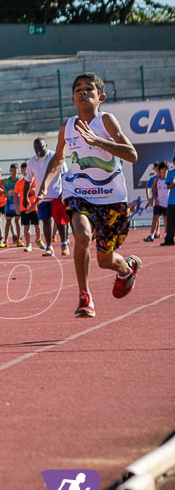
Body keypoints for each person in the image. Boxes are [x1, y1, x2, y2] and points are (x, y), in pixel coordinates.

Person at [36, 72, 141, 318]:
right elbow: (59, 158)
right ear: (73, 98)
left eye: (89, 89)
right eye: (78, 89)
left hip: (112, 199)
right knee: (81, 236)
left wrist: (99, 142)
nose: (83, 92)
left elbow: (132, 154)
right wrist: (44, 185)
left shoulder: (106, 121)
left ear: (100, 97)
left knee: (105, 260)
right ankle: (85, 296)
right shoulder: (67, 127)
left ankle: (126, 269)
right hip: (78, 193)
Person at [28, 136, 71, 257]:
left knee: (60, 222)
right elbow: (28, 179)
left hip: (57, 196)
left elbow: (65, 175)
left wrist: (65, 191)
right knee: (45, 222)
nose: (38, 150)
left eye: (41, 147)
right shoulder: (32, 161)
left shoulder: (55, 157)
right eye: (36, 148)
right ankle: (49, 247)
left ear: (46, 146)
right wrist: (27, 196)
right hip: (42, 198)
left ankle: (64, 244)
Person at [14, 161, 41, 251]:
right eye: (23, 169)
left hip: (33, 206)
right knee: (26, 226)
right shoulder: (19, 182)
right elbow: (15, 195)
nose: (24, 171)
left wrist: (33, 190)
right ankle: (28, 244)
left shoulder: (33, 180)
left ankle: (39, 239)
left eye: (26, 169)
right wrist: (17, 208)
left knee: (37, 225)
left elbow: (36, 189)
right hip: (23, 207)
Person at [144, 161, 168, 242]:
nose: (164, 172)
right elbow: (152, 190)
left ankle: (166, 235)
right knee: (155, 217)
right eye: (162, 171)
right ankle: (151, 235)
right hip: (158, 202)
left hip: (167, 202)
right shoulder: (156, 179)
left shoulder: (170, 179)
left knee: (166, 218)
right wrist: (154, 199)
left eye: (165, 171)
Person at [2, 163, 21, 245]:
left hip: (18, 205)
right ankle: (5, 241)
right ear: (10, 171)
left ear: (18, 171)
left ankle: (19, 240)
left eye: (15, 170)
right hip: (9, 205)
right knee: (8, 222)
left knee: (17, 221)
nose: (14, 172)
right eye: (12, 170)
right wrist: (2, 192)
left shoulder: (20, 181)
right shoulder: (6, 181)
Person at [162, 153, 175, 247]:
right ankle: (169, 239)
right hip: (172, 201)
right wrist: (174, 182)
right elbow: (168, 187)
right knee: (170, 222)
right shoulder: (170, 173)